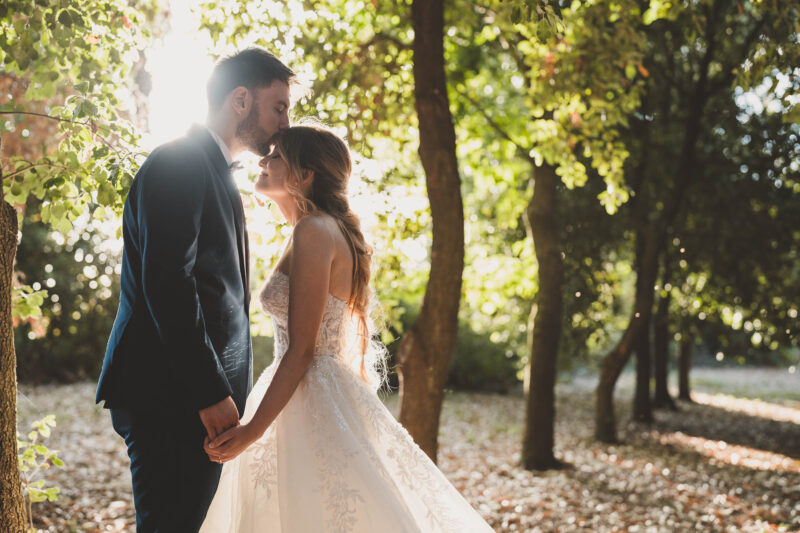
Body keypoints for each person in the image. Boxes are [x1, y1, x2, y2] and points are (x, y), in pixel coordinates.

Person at [199, 124, 494, 533]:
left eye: (276, 156)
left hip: (306, 394)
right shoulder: (316, 231)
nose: (263, 162)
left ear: (304, 175)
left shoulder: (314, 231)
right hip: (310, 392)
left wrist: (251, 431)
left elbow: (302, 349)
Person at [95, 48, 295, 532]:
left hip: (192, 397)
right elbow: (168, 283)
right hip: (170, 395)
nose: (284, 124)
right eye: (279, 107)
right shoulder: (179, 163)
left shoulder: (212, 168)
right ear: (241, 100)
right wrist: (209, 392)